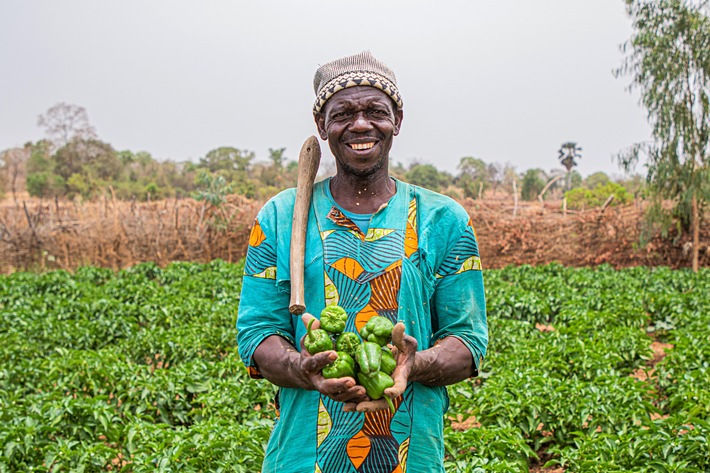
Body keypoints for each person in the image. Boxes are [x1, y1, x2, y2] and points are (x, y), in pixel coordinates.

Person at [237, 50, 488, 473]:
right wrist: (303, 367)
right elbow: (257, 335)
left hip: (411, 455)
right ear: (322, 126)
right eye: (343, 114)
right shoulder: (280, 218)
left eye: (376, 111)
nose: (360, 125)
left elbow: (468, 343)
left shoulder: (443, 220)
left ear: (397, 121)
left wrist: (414, 362)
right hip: (303, 454)